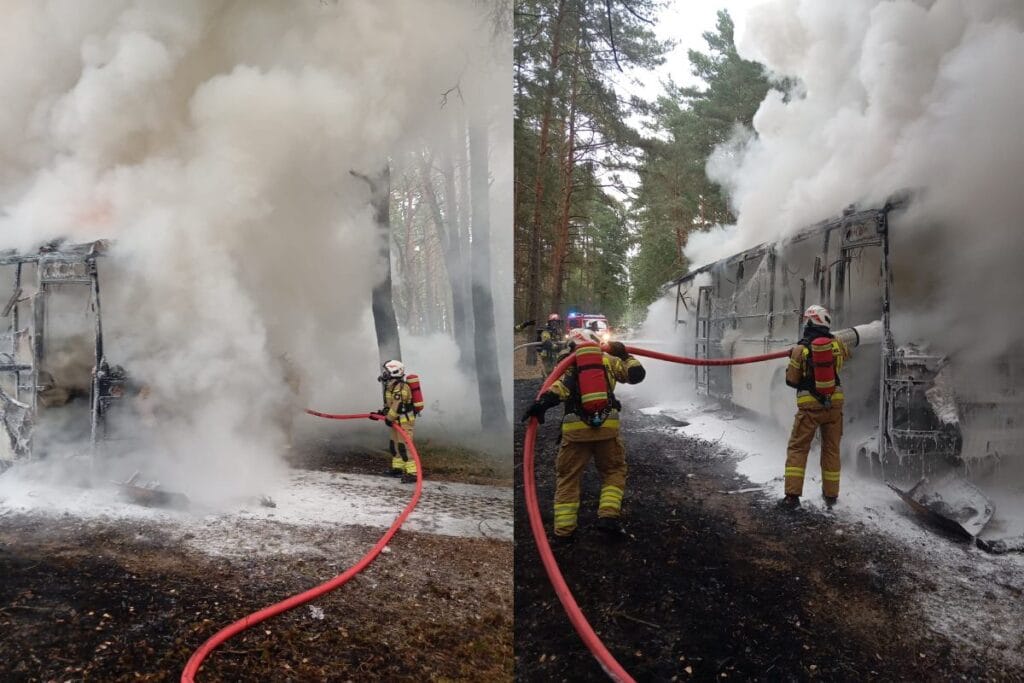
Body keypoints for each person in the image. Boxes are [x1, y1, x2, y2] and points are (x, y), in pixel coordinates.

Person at [522, 328, 646, 542]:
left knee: (568, 478)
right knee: (613, 471)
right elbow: (636, 375)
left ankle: (564, 530)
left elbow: (557, 389)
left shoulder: (568, 364)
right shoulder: (607, 360)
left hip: (575, 432)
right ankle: (608, 517)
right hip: (607, 429)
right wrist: (625, 355)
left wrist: (539, 406)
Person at [779, 305, 851, 510]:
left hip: (810, 407)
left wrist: (793, 359)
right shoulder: (838, 344)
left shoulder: (800, 349)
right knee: (831, 450)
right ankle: (831, 496)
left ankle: (792, 497)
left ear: (810, 323)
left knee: (798, 448)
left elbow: (791, 381)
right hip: (834, 404)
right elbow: (844, 359)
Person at [376, 359, 418, 483]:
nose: (384, 374)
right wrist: (384, 413)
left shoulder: (401, 387)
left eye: (386, 371)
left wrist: (389, 418)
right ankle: (398, 468)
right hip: (396, 422)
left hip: (404, 422)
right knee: (394, 446)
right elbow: (390, 404)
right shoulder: (391, 386)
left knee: (405, 446)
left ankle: (413, 473)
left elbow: (397, 406)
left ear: (394, 371)